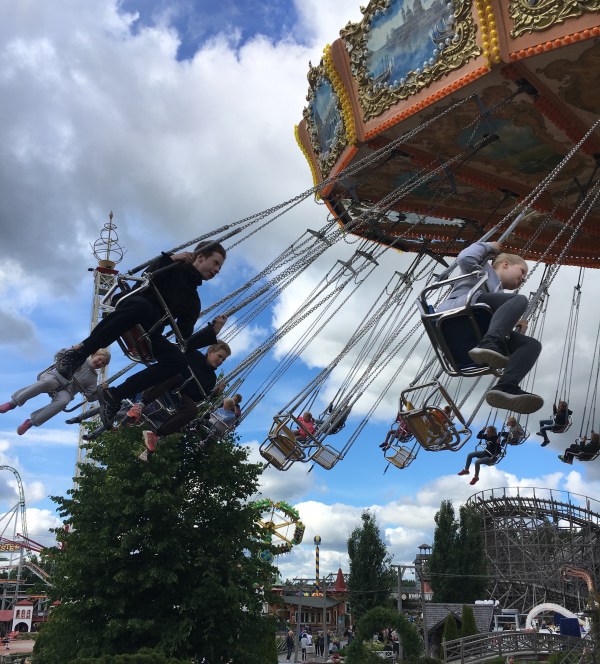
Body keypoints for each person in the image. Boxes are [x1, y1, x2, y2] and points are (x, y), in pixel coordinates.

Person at [53, 241, 226, 429]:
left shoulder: (193, 301)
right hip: (134, 305)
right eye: (215, 263)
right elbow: (146, 278)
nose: (217, 270)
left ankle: (115, 395)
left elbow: (184, 339)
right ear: (200, 257)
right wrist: (171, 258)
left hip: (150, 330)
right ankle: (78, 355)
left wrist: (211, 333)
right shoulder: (172, 268)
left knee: (178, 360)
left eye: (220, 267)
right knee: (143, 307)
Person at [438, 241, 543, 414]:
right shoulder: (481, 269)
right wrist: (489, 246)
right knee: (519, 300)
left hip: (477, 328)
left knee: (531, 345)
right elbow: (464, 258)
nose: (524, 278)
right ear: (506, 264)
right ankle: (490, 343)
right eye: (522, 271)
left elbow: (496, 320)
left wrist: (513, 326)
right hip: (459, 312)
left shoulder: (500, 297)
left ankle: (506, 386)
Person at [139, 339, 231, 456]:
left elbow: (199, 398)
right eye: (219, 356)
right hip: (170, 381)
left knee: (192, 410)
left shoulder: (212, 379)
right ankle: (142, 404)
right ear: (210, 351)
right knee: (177, 375)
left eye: (223, 359)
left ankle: (157, 434)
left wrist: (215, 393)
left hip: (182, 395)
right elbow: (181, 346)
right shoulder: (194, 354)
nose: (220, 361)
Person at [0, 349, 111, 435]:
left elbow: (91, 396)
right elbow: (60, 355)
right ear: (94, 355)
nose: (99, 362)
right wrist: (74, 349)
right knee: (46, 383)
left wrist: (102, 391)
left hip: (68, 391)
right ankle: (13, 403)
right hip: (56, 378)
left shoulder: (93, 377)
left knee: (63, 401)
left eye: (103, 363)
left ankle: (30, 423)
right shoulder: (80, 357)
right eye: (99, 359)